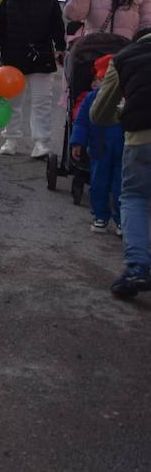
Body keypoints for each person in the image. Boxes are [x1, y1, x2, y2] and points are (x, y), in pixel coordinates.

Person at [92, 27, 151, 297]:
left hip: (141, 138)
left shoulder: (124, 57)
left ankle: (138, 267)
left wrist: (123, 115)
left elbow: (99, 113)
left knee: (135, 197)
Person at [0, 0, 65, 157]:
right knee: (13, 102)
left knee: (42, 102)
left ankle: (41, 142)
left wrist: (60, 48)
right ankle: (11, 138)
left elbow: (57, 26)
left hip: (41, 57)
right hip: (13, 58)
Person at [73, 54, 124, 235]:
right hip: (99, 148)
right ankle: (101, 215)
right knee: (98, 184)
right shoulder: (91, 98)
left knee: (121, 187)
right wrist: (77, 142)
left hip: (123, 150)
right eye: (99, 79)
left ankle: (122, 220)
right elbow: (81, 122)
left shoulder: (125, 98)